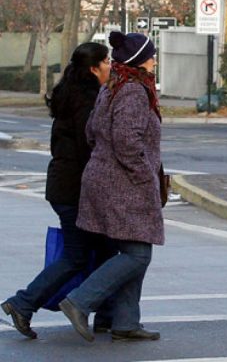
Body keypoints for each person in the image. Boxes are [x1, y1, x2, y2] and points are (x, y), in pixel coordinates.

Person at [1, 43, 116, 339]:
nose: (110, 66)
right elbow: (89, 146)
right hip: (74, 189)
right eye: (106, 61)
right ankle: (23, 303)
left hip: (65, 186)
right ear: (93, 68)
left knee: (105, 250)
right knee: (77, 256)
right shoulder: (86, 100)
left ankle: (107, 315)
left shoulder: (71, 93)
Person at [58, 31, 164, 342]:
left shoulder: (113, 86)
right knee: (137, 254)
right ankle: (80, 301)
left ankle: (125, 322)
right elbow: (127, 142)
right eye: (151, 56)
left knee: (133, 250)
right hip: (125, 184)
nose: (154, 60)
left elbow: (92, 132)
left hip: (107, 180)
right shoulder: (133, 91)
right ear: (139, 60)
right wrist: (145, 176)